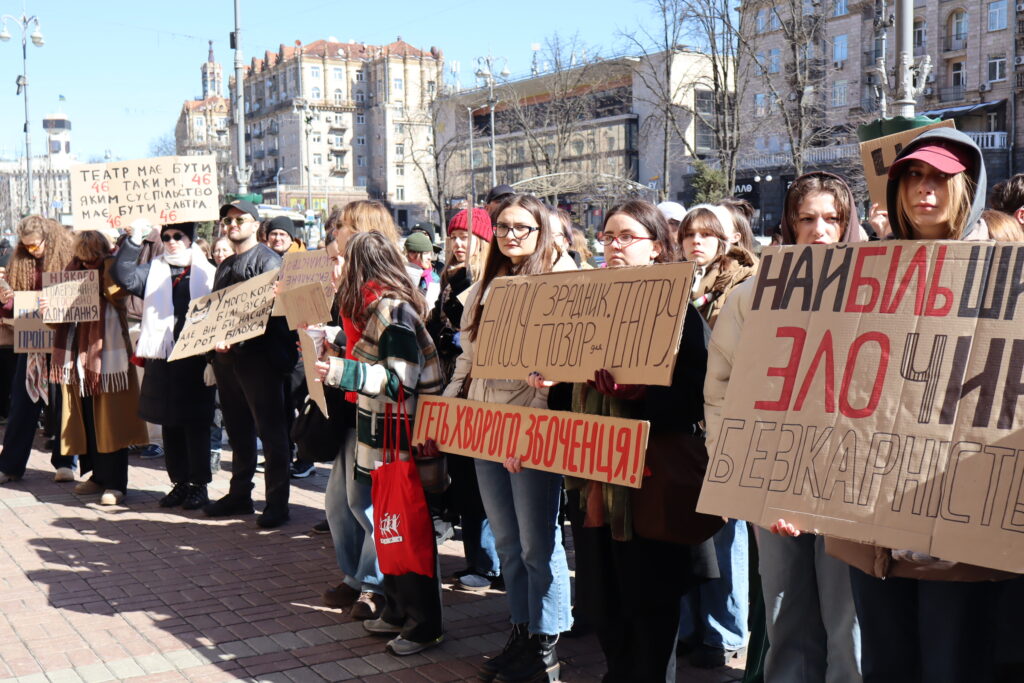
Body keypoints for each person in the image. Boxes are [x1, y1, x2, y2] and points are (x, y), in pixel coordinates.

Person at [824, 128, 1024, 683]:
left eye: (940, 176)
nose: (923, 188)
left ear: (968, 187)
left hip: (962, 520)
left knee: (951, 666)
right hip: (872, 523)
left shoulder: (1010, 273)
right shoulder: (862, 272)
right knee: (886, 666)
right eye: (912, 175)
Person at [708, 171, 872, 683]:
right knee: (785, 616)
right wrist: (743, 479)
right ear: (789, 224)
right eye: (807, 218)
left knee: (848, 623)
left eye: (832, 219)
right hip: (771, 480)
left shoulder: (879, 294)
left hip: (850, 486)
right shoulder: (750, 297)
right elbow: (721, 390)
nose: (819, 230)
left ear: (848, 224)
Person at [550, 199, 719, 682]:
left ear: (657, 247)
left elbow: (697, 393)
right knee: (605, 600)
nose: (614, 246)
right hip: (595, 482)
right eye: (608, 237)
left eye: (627, 237)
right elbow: (564, 397)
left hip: (649, 482)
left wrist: (642, 395)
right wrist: (555, 380)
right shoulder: (583, 307)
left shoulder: (678, 313)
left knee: (650, 603)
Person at [436, 194, 576, 683]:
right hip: (484, 427)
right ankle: (521, 631)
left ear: (542, 231)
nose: (511, 235)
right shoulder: (485, 287)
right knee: (508, 542)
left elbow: (553, 373)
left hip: (530, 432)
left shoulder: (561, 284)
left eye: (522, 227)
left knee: (539, 543)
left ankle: (545, 644)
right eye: (503, 227)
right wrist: (449, 412)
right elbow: (468, 361)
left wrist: (528, 433)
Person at [313, 229, 445, 656]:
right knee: (389, 525)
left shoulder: (391, 310)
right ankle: (398, 608)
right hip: (383, 436)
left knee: (404, 527)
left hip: (399, 438)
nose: (335, 269)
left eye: (341, 261)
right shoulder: (378, 307)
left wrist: (341, 372)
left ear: (359, 267)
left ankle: (424, 623)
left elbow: (400, 382)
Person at [674, 203, 757, 667]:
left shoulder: (743, 285)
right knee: (689, 534)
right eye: (689, 234)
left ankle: (725, 633)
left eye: (706, 234)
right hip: (685, 425)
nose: (696, 242)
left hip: (725, 423)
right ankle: (691, 627)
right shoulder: (677, 285)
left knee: (726, 536)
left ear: (727, 240)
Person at [320, 199, 401, 620]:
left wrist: (340, 364)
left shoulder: (380, 290)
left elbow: (388, 362)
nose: (335, 232)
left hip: (376, 407)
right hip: (352, 401)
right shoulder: (353, 281)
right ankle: (355, 576)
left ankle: (374, 583)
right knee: (340, 503)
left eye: (343, 227)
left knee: (365, 504)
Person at [204, 199, 297, 529]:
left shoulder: (268, 260)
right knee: (238, 431)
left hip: (260, 360)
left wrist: (236, 339)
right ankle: (240, 494)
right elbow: (217, 311)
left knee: (271, 433)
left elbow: (273, 315)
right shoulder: (226, 265)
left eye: (239, 220)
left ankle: (277, 503)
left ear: (255, 225)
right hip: (228, 360)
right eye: (227, 221)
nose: (232, 225)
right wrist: (212, 347)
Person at [111, 220, 217, 510]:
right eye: (167, 236)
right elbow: (123, 276)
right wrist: (134, 240)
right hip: (163, 357)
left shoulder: (207, 271)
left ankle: (199, 485)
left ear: (190, 239)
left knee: (196, 424)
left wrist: (212, 359)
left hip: (195, 358)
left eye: (177, 236)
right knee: (170, 422)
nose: (171, 241)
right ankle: (179, 482)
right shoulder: (155, 269)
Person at [425, 207, 501, 591]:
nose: (458, 243)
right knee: (465, 480)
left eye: (466, 236)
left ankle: (487, 563)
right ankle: (479, 559)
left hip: (475, 389)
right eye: (454, 236)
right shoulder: (451, 276)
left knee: (477, 482)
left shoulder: (483, 279)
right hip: (451, 385)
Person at [44, 231, 149, 505]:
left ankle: (116, 483)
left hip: (109, 356)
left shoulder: (114, 267)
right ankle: (97, 476)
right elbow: (55, 321)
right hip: (77, 359)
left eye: (93, 256)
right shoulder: (70, 272)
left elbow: (118, 295)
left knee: (112, 422)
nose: (88, 262)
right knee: (87, 420)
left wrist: (104, 270)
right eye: (83, 257)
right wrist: (48, 307)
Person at [0, 217, 76, 484]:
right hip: (31, 341)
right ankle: (10, 465)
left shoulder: (68, 258)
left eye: (35, 245)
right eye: (26, 246)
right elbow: (12, 309)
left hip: (62, 340)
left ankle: (65, 462)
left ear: (49, 239)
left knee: (63, 403)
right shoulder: (20, 261)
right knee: (22, 404)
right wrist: (5, 301)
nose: (32, 250)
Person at [403, 232, 440, 309]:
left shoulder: (434, 279)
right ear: (412, 254)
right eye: (426, 253)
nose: (429, 258)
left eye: (430, 253)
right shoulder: (399, 276)